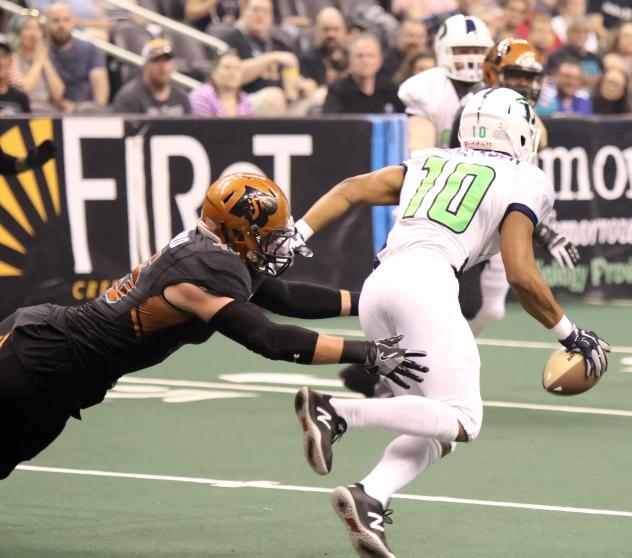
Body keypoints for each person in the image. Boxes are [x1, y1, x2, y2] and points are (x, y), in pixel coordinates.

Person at [292, 88, 611, 557]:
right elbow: (521, 273)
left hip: (379, 286)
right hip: (426, 285)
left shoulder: (430, 160)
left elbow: (350, 189)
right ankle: (337, 411)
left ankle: (370, 496)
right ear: (519, 132)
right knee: (463, 418)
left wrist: (297, 232)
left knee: (437, 427)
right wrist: (571, 334)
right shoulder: (526, 176)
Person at [0, 172, 425, 480]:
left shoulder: (220, 250)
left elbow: (285, 297)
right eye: (269, 235)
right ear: (238, 231)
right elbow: (268, 338)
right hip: (35, 357)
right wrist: (366, 353)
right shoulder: (204, 269)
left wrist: (370, 298)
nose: (278, 244)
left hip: (65, 378)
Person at [398, 14, 493, 151]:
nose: (472, 58)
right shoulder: (424, 87)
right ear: (443, 50)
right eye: (463, 51)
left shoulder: (498, 85)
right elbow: (420, 151)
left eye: (477, 51)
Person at [46, 3, 109, 112]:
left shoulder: (89, 49)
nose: (61, 25)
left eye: (66, 20)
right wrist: (61, 104)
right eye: (56, 20)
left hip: (85, 112)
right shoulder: (43, 52)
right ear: (47, 24)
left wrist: (96, 110)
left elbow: (100, 83)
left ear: (73, 22)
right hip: (52, 113)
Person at [322, 33, 404, 114]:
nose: (365, 61)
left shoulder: (389, 88)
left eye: (370, 56)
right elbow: (331, 123)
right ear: (350, 61)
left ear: (380, 61)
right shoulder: (338, 90)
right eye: (359, 56)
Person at [112, 38, 191, 116]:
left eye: (167, 60)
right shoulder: (129, 98)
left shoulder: (181, 97)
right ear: (144, 66)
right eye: (157, 61)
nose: (163, 67)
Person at [6, 10, 65, 110]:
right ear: (17, 32)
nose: (34, 34)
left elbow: (58, 93)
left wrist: (44, 60)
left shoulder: (43, 57)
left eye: (38, 29)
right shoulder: (10, 59)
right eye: (27, 28)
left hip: (46, 111)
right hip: (23, 112)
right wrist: (38, 62)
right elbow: (22, 91)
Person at [189, 49, 254, 117]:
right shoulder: (200, 97)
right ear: (213, 72)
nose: (232, 73)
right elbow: (200, 126)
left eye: (237, 68)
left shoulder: (245, 99)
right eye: (227, 68)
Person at [0, 36, 30, 113]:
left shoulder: (21, 98)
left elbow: (27, 124)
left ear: (10, 61)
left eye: (3, 55)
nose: (0, 62)